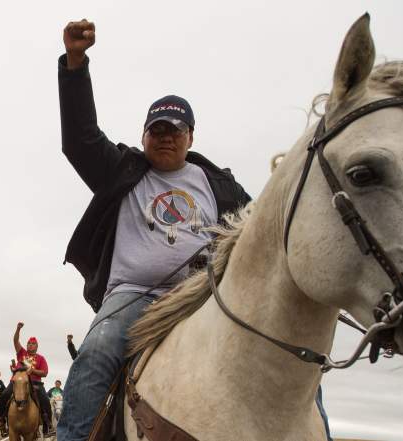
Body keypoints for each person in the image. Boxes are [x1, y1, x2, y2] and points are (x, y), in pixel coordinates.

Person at [56, 19, 255, 441]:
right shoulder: (121, 170)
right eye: (156, 130)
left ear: (190, 135)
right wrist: (76, 63)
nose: (165, 138)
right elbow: (80, 138)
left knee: (277, 348)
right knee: (94, 353)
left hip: (207, 296)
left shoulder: (220, 184)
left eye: (175, 130)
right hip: (135, 296)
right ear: (145, 135)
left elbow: (259, 231)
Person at [0, 322, 53, 436]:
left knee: (45, 400)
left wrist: (33, 371)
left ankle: (48, 426)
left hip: (35, 383)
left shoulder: (41, 358)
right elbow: (15, 341)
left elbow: (45, 373)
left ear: (37, 346)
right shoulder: (22, 353)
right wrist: (18, 329)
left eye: (33, 344)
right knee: (5, 394)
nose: (30, 345)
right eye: (29, 343)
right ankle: (1, 419)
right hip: (17, 381)